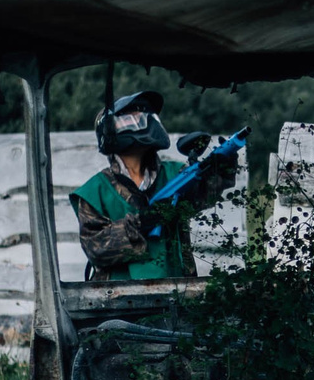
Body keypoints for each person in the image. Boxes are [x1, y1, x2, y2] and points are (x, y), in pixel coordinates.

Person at [70, 90, 240, 282]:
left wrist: (221, 167)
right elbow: (96, 249)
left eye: (145, 116)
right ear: (110, 131)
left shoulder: (175, 174)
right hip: (116, 301)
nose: (144, 122)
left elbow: (202, 196)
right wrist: (142, 222)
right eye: (131, 119)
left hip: (176, 289)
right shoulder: (95, 191)